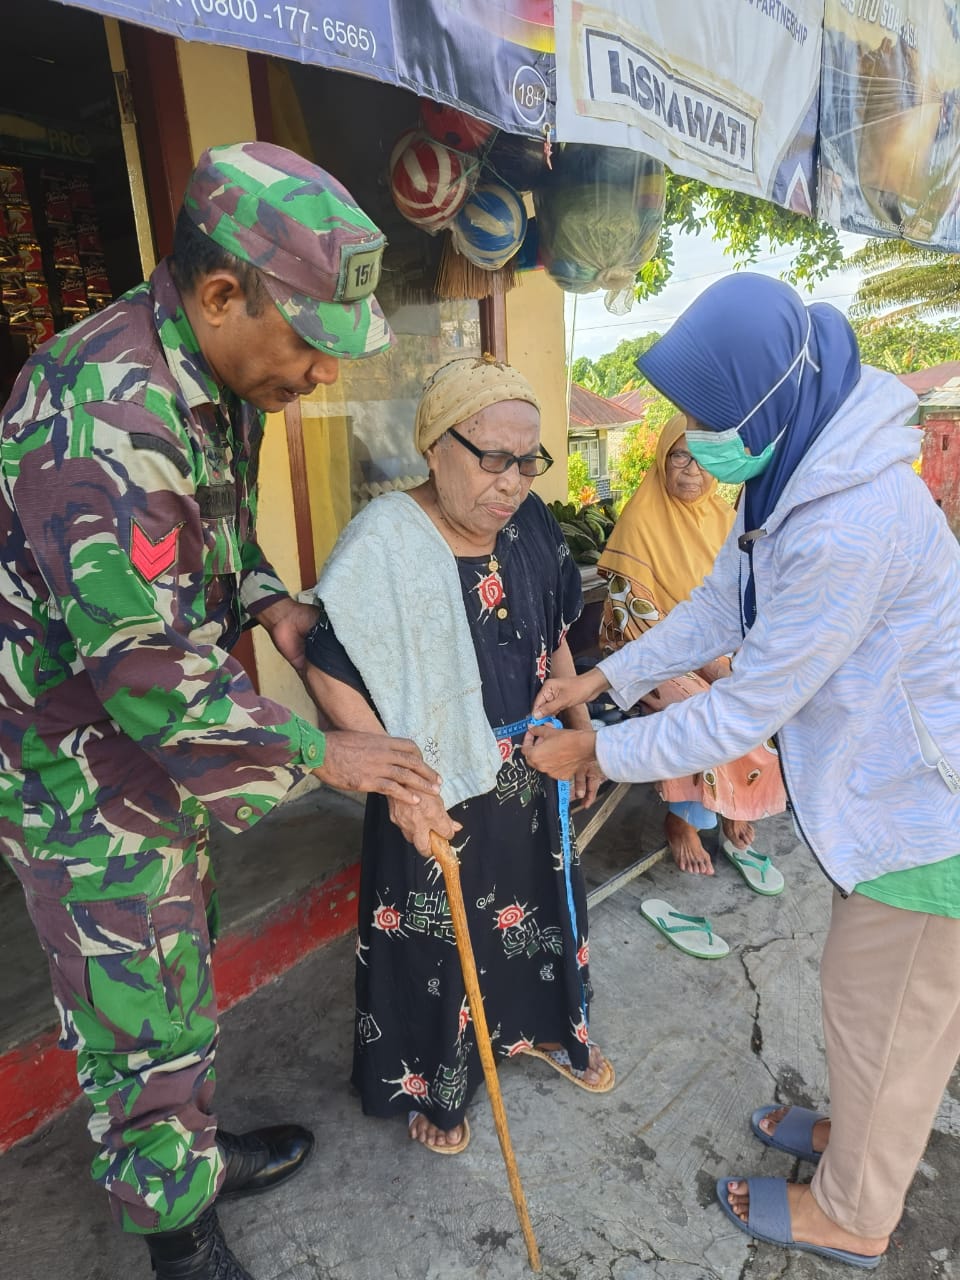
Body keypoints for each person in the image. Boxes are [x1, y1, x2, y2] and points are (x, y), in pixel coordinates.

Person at [0, 142, 446, 1280]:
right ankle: (177, 1233)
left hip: (163, 746)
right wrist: (324, 752)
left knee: (177, 965)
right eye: (310, 347)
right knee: (137, 1004)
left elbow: (211, 534)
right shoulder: (104, 410)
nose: (318, 379)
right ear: (220, 294)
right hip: (81, 768)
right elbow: (147, 669)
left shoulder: (216, 374)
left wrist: (270, 606)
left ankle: (188, 1153)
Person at [523, 273, 960, 1270]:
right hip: (888, 787)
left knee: (888, 1014)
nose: (692, 433)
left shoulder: (850, 520)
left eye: (707, 414)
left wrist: (601, 743)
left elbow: (747, 704)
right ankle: (858, 1143)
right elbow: (721, 608)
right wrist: (603, 671)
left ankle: (854, 1209)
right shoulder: (801, 466)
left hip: (929, 807)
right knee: (865, 1000)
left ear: (765, 402)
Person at [303, 354, 615, 1156]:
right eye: (493, 458)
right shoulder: (383, 541)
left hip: (531, 766)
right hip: (430, 778)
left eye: (529, 459)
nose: (512, 481)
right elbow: (329, 668)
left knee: (539, 912)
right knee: (441, 940)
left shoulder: (533, 523)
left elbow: (555, 641)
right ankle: (440, 1087)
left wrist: (582, 734)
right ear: (436, 446)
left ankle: (547, 1031)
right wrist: (402, 788)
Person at [598, 412, 786, 886]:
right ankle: (684, 821)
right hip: (645, 649)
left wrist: (730, 662)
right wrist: (711, 666)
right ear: (663, 458)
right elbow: (633, 619)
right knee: (700, 706)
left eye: (702, 459)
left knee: (755, 689)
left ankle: (733, 804)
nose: (691, 470)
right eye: (680, 455)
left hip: (714, 647)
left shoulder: (725, 518)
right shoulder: (642, 518)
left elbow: (744, 601)